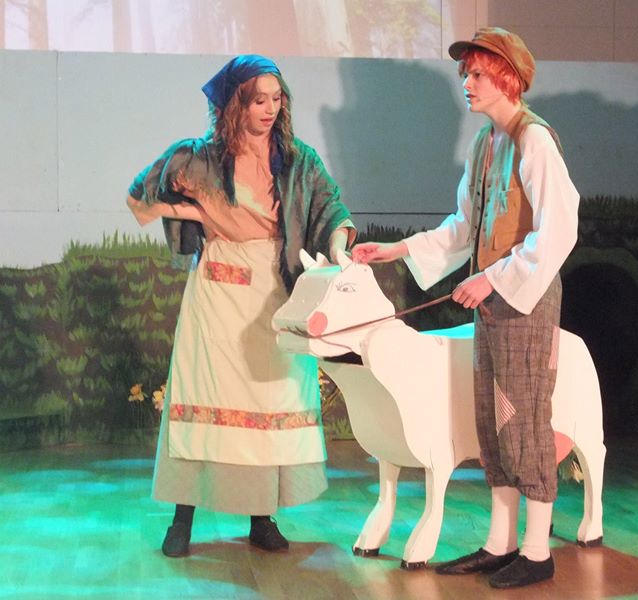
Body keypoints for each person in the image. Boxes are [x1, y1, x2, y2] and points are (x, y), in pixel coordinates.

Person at [352, 28, 579, 589]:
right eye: (466, 75)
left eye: (477, 74)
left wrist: (493, 277)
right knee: (493, 419)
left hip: (524, 302)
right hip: (494, 300)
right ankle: (501, 543)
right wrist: (398, 250)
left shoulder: (534, 140)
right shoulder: (486, 143)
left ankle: (536, 550)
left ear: (508, 78)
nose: (468, 84)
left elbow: (558, 230)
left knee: (523, 417)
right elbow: (464, 227)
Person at [126, 55, 355, 558]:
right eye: (258, 101)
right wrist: (193, 211)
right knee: (203, 398)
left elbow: (331, 207)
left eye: (276, 99)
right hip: (218, 288)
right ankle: (182, 518)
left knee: (268, 402)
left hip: (274, 289)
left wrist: (340, 252)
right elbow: (138, 198)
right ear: (236, 105)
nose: (270, 110)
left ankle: (262, 517)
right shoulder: (200, 158)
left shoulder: (296, 160)